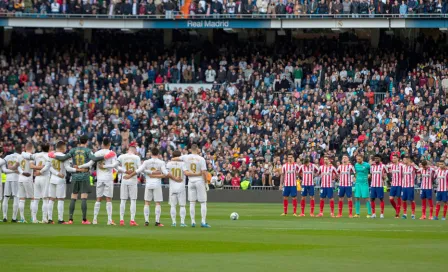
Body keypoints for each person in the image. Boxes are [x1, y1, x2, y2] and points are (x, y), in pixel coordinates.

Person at [49, 135, 115, 224]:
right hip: (84, 175)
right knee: (83, 197)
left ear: (79, 141)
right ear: (86, 142)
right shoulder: (88, 150)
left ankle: (70, 219)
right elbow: (94, 159)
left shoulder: (73, 150)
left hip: (75, 175)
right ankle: (84, 219)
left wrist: (53, 156)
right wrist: (105, 157)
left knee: (73, 197)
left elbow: (64, 158)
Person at [78, 138, 119, 225]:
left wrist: (80, 166)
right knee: (108, 199)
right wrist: (106, 166)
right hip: (108, 178)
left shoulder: (97, 153)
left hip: (100, 178)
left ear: (102, 144)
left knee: (98, 199)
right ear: (109, 144)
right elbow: (115, 165)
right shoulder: (112, 153)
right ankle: (109, 220)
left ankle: (95, 219)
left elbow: (89, 164)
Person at [40, 141, 83, 224]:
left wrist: (40, 172)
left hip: (52, 179)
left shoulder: (51, 156)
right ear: (62, 148)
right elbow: (68, 169)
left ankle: (50, 219)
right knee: (60, 199)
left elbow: (47, 167)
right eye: (65, 147)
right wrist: (77, 170)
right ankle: (60, 219)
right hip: (60, 180)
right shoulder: (64, 156)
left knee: (51, 199)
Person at [176, 144, 211, 228]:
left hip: (191, 181)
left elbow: (176, 159)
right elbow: (204, 172)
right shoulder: (201, 159)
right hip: (199, 181)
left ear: (190, 149)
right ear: (198, 149)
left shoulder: (186, 157)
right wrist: (206, 183)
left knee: (192, 202)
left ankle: (193, 221)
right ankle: (203, 221)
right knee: (203, 202)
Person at [134, 147, 168, 227]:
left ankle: (146, 221)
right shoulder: (161, 162)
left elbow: (140, 170)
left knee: (147, 202)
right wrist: (159, 174)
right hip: (157, 184)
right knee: (157, 202)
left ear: (151, 154)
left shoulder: (146, 162)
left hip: (148, 184)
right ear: (158, 154)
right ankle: (157, 221)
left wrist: (149, 173)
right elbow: (165, 173)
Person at [116, 143, 141, 226]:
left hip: (124, 179)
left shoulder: (122, 156)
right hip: (133, 180)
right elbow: (139, 169)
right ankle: (132, 220)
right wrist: (130, 174)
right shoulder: (136, 157)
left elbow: (116, 166)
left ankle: (121, 220)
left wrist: (124, 171)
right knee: (133, 200)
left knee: (123, 200)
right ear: (133, 149)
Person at [166, 150, 188, 227]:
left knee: (173, 205)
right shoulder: (183, 164)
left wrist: (173, 178)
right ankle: (182, 222)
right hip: (181, 186)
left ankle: (174, 222)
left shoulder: (169, 163)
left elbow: (166, 174)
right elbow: (185, 173)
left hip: (172, 186)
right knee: (182, 205)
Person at [31, 143, 51, 223]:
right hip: (45, 177)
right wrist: (41, 171)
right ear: (48, 148)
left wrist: (36, 170)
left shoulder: (36, 155)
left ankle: (34, 218)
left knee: (36, 199)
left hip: (37, 178)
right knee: (45, 199)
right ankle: (44, 218)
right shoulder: (49, 156)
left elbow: (31, 163)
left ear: (41, 148)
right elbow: (47, 166)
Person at [17, 142, 37, 223]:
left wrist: (22, 172)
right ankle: (33, 218)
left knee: (21, 199)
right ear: (32, 148)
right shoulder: (31, 157)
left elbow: (17, 166)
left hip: (20, 178)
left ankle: (22, 218)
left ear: (25, 148)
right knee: (32, 198)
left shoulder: (19, 156)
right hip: (28, 178)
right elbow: (32, 166)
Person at [2, 146, 23, 222]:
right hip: (16, 178)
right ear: (21, 151)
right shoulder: (20, 157)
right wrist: (15, 171)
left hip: (8, 178)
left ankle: (4, 217)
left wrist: (9, 170)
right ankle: (14, 218)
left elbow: (3, 166)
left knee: (6, 197)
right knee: (16, 197)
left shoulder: (8, 156)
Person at [386, 154, 403, 218]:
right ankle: (397, 209)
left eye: (395, 158)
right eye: (393, 158)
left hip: (399, 184)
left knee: (398, 198)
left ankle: (397, 213)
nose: (394, 159)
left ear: (398, 159)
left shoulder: (401, 165)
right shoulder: (391, 166)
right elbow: (385, 167)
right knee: (391, 199)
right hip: (393, 184)